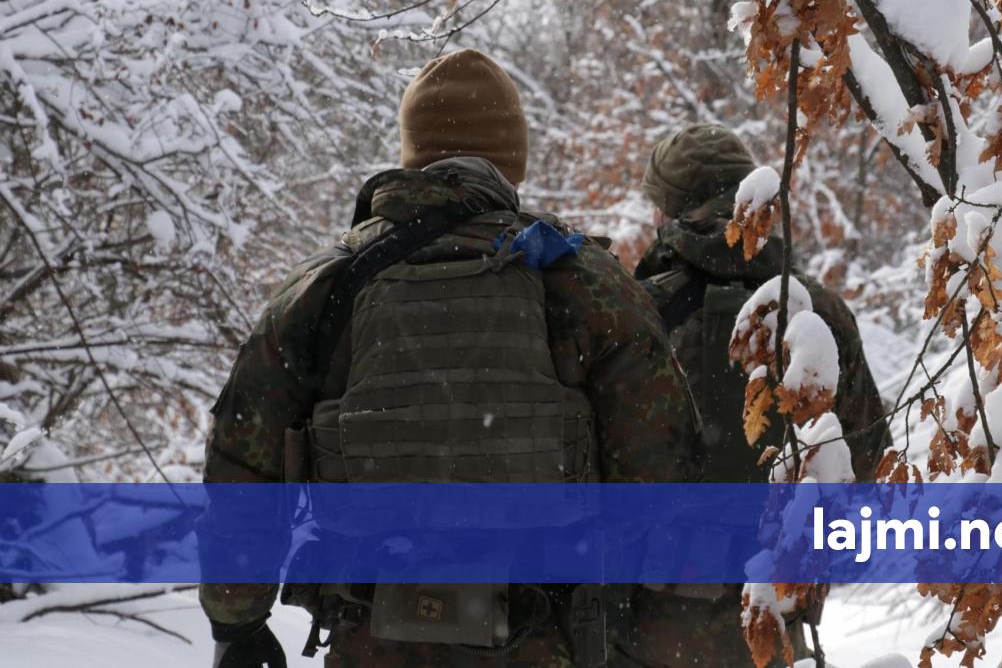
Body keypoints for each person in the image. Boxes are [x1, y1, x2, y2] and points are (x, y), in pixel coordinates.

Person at [200, 49, 700, 668]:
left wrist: (237, 621)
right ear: (512, 158)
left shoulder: (324, 287)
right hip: (544, 636)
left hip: (371, 637)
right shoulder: (585, 282)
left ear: (413, 149)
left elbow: (242, 464)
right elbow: (660, 473)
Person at [616, 123, 891, 667]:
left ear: (668, 212)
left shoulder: (637, 312)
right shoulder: (818, 314)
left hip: (647, 625)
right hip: (772, 623)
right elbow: (865, 467)